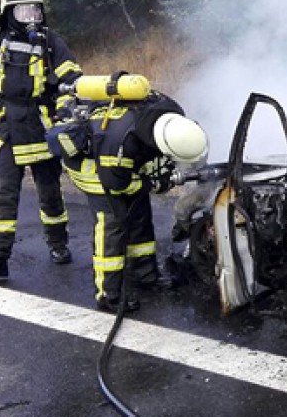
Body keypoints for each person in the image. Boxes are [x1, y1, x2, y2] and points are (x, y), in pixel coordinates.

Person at [49, 84, 208, 312]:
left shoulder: (170, 115)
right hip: (94, 169)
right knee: (113, 225)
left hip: (121, 166)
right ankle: (108, 294)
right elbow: (117, 184)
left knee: (140, 215)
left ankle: (145, 276)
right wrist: (151, 183)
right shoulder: (120, 142)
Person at [0, 0, 83, 280]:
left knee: (50, 192)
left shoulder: (51, 42)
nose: (31, 16)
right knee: (2, 193)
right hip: (5, 127)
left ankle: (58, 244)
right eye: (23, 11)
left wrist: (68, 102)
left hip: (42, 126)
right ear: (8, 13)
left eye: (35, 10)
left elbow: (69, 77)